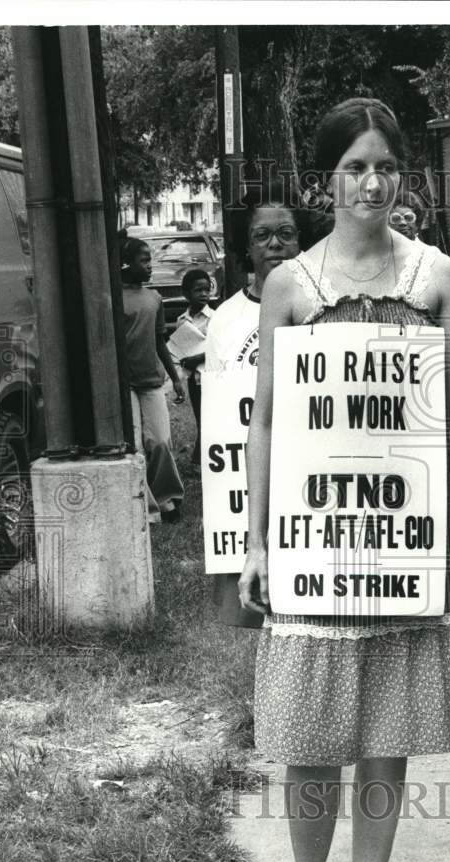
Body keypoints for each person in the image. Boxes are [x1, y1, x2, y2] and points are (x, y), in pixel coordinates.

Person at [239, 97, 450, 862]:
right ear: (325, 180)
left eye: (385, 167)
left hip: (412, 536)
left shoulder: (436, 275)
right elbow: (269, 425)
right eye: (354, 167)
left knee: (386, 728)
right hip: (316, 536)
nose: (371, 182)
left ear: (406, 177)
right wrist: (254, 542)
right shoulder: (290, 285)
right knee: (310, 732)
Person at [193, 181, 305, 627]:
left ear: (302, 240)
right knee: (250, 608)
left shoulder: (321, 306)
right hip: (249, 471)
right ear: (246, 246)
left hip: (303, 466)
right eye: (262, 235)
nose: (275, 244)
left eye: (286, 233)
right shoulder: (225, 319)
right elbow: (219, 413)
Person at [120, 237, 185, 524]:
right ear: (126, 263)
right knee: (134, 445)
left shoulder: (154, 298)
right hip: (124, 385)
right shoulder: (112, 298)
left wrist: (176, 378)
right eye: (144, 260)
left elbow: (160, 342)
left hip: (151, 381)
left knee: (160, 441)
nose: (149, 266)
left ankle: (167, 498)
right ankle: (146, 510)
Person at [175, 269, 214, 467]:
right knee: (200, 417)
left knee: (212, 418)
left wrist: (196, 358)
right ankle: (200, 459)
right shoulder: (182, 320)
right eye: (198, 290)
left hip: (212, 376)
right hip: (194, 379)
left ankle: (200, 460)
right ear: (186, 293)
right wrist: (184, 361)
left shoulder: (214, 318)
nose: (204, 294)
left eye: (207, 289)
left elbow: (219, 349)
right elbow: (180, 348)